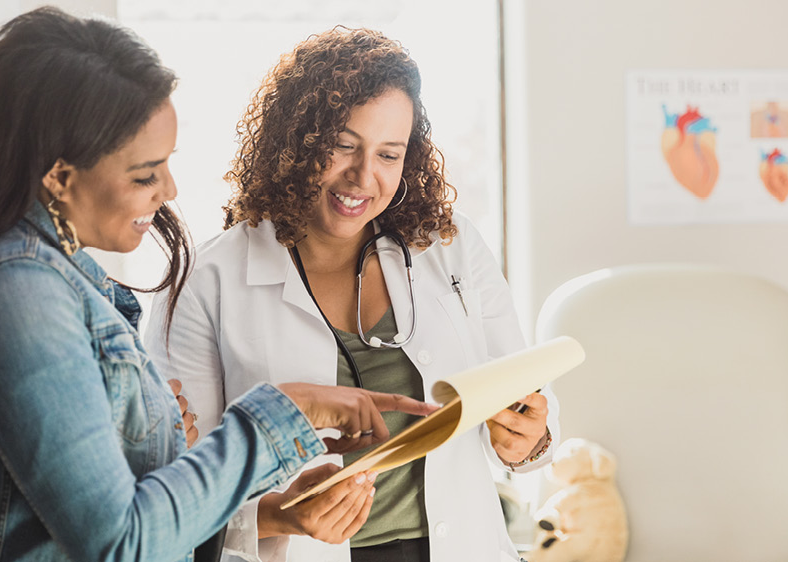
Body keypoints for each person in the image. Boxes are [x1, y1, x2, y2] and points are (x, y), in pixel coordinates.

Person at [0, 10, 436, 562]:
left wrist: (272, 512)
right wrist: (282, 411)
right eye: (145, 174)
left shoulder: (63, 282)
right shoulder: (18, 300)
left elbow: (132, 510)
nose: (168, 189)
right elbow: (120, 543)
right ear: (59, 177)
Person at [145, 27, 560, 562]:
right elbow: (173, 492)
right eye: (343, 146)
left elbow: (521, 399)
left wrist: (528, 439)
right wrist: (276, 514)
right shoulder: (206, 280)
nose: (364, 177)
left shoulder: (448, 244)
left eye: (389, 155)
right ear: (296, 143)